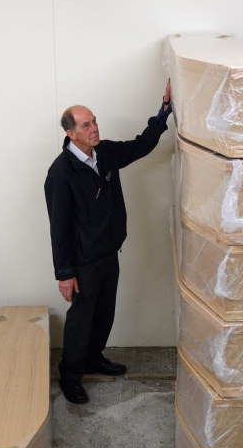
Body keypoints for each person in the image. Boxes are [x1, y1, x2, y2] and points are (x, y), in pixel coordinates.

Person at [44, 81, 173, 404]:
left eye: (94, 121)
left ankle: (93, 358)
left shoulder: (105, 154)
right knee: (81, 318)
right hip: (83, 261)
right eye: (86, 125)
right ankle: (70, 376)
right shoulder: (61, 174)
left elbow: (140, 146)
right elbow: (58, 228)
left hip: (108, 252)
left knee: (105, 313)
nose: (94, 128)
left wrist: (162, 114)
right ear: (71, 133)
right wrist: (65, 273)